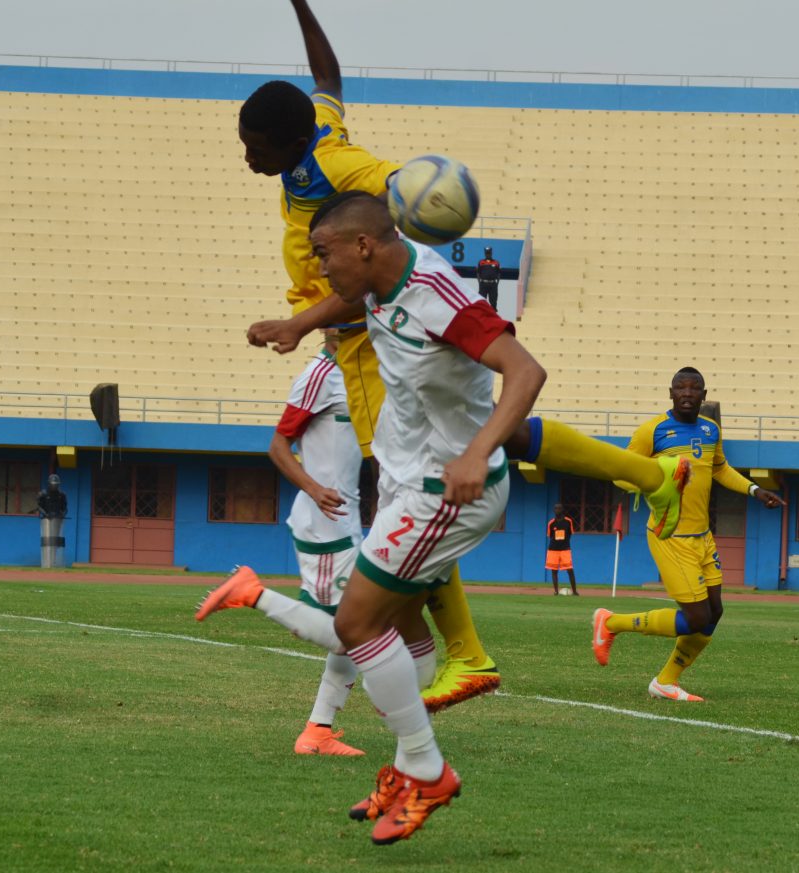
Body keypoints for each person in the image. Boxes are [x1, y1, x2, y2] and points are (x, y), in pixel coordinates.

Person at [199, 192, 548, 844]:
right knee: (398, 625)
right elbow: (359, 301)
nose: (319, 268)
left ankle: (427, 768)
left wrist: (477, 453)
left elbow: (525, 370)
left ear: (362, 245)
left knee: (355, 622)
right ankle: (406, 766)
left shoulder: (438, 295)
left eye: (324, 254)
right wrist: (300, 323)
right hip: (404, 480)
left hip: (445, 490)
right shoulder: (384, 277)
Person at [241, 0, 501, 712]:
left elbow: (393, 210)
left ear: (288, 143)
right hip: (353, 336)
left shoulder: (333, 161)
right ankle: (423, 648)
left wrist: (304, 321)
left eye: (254, 147)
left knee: (409, 493)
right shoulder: (315, 129)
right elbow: (327, 76)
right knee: (403, 494)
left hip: (365, 348)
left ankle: (467, 653)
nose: (246, 157)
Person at [592, 367, 785, 702]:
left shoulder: (710, 430)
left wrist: (754, 490)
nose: (686, 393)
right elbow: (620, 475)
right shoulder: (651, 431)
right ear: (670, 393)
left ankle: (665, 682)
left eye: (694, 388)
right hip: (670, 536)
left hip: (702, 536)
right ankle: (610, 623)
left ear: (704, 396)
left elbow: (721, 468)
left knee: (715, 612)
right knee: (696, 617)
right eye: (680, 387)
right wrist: (658, 478)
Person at [268, 330, 367, 757]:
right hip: (324, 525)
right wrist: (312, 487)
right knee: (353, 635)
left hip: (348, 522)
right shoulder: (319, 374)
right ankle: (253, 595)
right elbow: (277, 445)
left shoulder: (359, 374)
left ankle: (318, 732)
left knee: (360, 631)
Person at [546, 503, 578, 596]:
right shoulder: (551, 523)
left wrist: (564, 543)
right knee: (554, 571)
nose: (557, 510)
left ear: (562, 510)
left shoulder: (568, 521)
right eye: (555, 508)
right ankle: (556, 591)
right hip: (553, 550)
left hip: (565, 550)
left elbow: (570, 533)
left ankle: (575, 591)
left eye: (559, 508)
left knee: (570, 570)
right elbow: (550, 536)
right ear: (553, 510)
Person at [476, 247, 501, 312]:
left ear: (491, 253)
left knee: (493, 302)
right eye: (487, 253)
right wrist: (480, 283)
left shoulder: (496, 262)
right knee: (482, 301)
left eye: (489, 253)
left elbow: (498, 274)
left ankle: (493, 317)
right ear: (485, 254)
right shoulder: (481, 262)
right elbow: (478, 273)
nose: (488, 254)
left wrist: (496, 284)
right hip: (483, 284)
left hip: (493, 284)